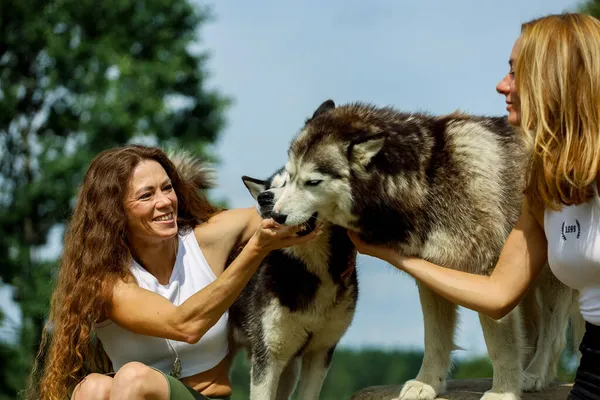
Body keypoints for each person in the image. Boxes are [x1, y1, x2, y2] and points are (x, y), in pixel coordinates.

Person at [347, 12, 600, 400]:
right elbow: (497, 294)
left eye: (516, 73)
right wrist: (395, 255)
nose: (501, 86)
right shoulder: (546, 187)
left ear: (559, 81)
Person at [30, 144, 320, 400]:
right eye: (146, 195)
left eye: (167, 188)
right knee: (91, 388)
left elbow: (280, 217)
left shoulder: (207, 239)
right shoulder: (108, 283)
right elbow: (186, 326)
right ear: (115, 211)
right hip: (134, 391)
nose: (165, 202)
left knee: (133, 378)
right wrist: (256, 250)